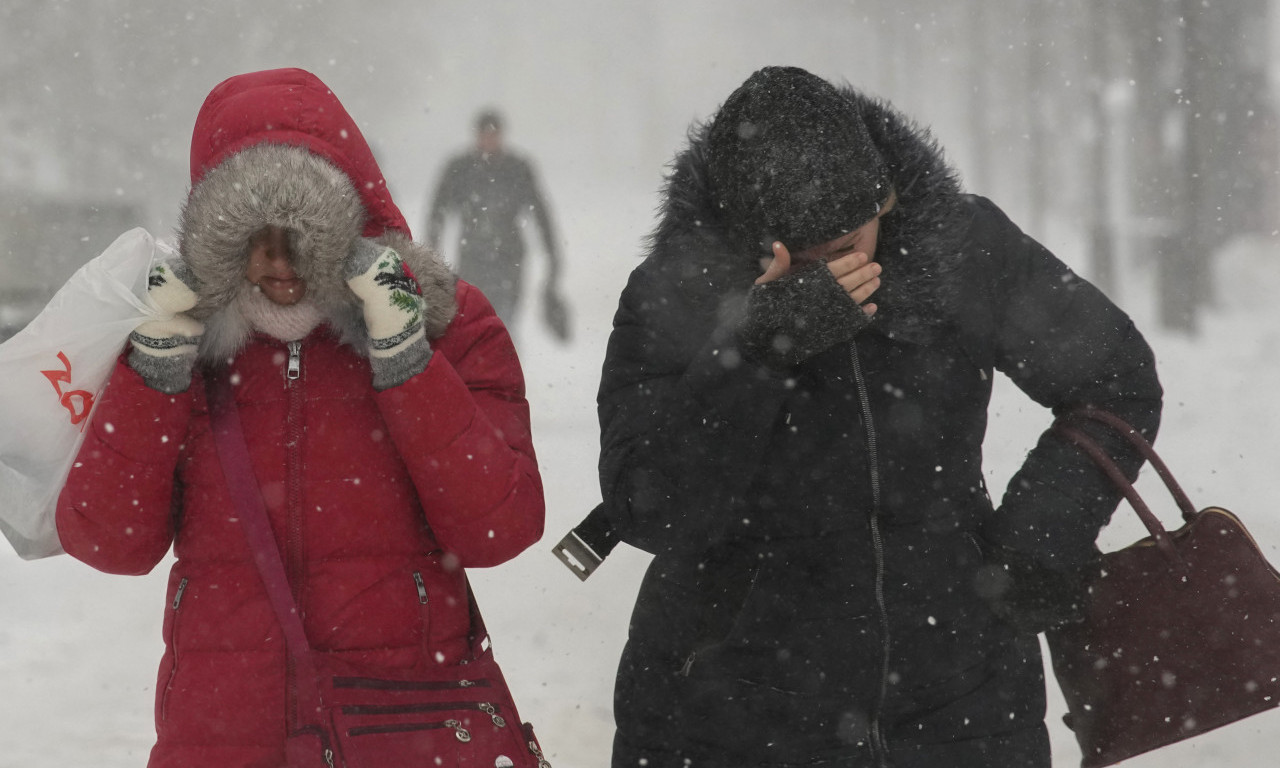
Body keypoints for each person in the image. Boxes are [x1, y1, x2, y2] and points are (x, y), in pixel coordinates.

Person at [590, 66, 1162, 767]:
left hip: (963, 701)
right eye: (800, 258)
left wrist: (1039, 540)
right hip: (729, 711)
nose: (829, 269)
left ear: (885, 201)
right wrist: (757, 350)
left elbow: (1115, 379)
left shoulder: (960, 246)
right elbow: (650, 507)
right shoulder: (675, 291)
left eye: (844, 246)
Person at [54, 68, 545, 767]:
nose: (280, 263)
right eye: (251, 236)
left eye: (305, 231)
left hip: (403, 727)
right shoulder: (176, 339)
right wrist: (154, 369)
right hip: (221, 736)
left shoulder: (449, 325)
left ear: (348, 222)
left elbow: (502, 526)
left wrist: (404, 359)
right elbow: (108, 542)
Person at [425, 109, 569, 340]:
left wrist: (552, 257)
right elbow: (437, 212)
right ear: (476, 135)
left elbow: (541, 214)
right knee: (471, 322)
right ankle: (479, 370)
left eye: (493, 134)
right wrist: (430, 255)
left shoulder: (518, 168)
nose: (489, 140)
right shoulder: (459, 168)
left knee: (505, 324)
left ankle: (504, 369)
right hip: (472, 258)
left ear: (502, 135)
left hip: (509, 259)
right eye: (484, 134)